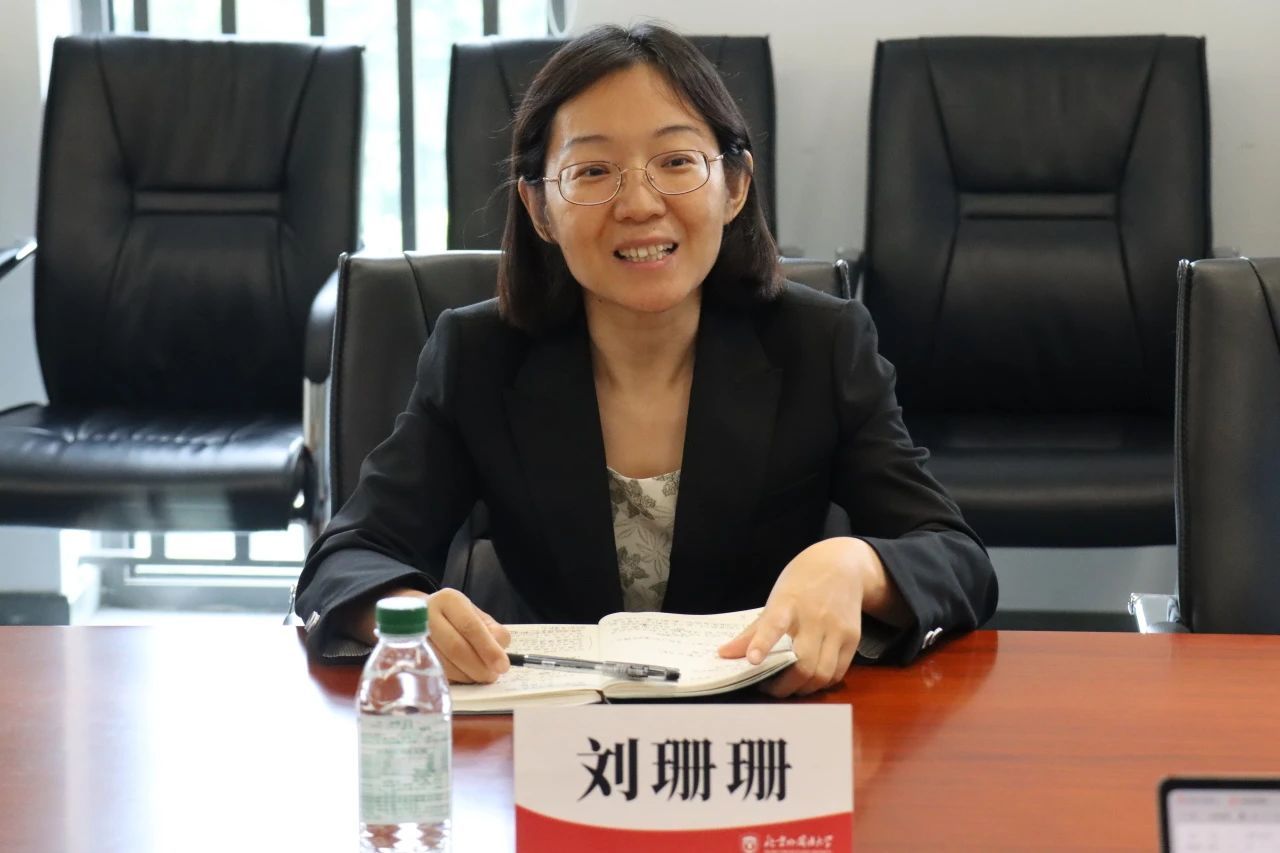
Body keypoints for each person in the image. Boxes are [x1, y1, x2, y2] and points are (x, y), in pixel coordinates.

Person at [295, 23, 997, 697]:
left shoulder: (821, 344)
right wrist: (405, 613)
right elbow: (348, 556)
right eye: (593, 170)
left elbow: (956, 558)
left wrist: (858, 564)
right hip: (553, 736)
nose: (638, 203)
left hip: (760, 729)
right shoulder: (478, 356)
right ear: (540, 209)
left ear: (735, 185)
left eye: (676, 162)